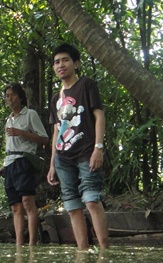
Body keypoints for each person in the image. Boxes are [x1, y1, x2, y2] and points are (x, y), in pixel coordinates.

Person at [47, 43, 110, 249]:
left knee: (91, 200)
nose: (61, 65)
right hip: (63, 158)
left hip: (86, 151)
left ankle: (104, 252)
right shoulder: (56, 98)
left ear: (76, 63)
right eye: (56, 62)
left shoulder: (86, 85)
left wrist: (98, 147)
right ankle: (82, 253)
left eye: (65, 60)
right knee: (72, 207)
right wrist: (52, 164)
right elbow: (57, 130)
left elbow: (99, 115)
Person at [0, 83, 49, 246]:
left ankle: (32, 243)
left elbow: (44, 139)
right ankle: (19, 245)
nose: (10, 98)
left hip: (24, 161)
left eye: (12, 94)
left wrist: (21, 132)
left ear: (20, 97)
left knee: (28, 201)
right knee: (15, 207)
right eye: (7, 95)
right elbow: (9, 147)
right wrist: (3, 167)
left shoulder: (30, 114)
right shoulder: (8, 120)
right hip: (10, 164)